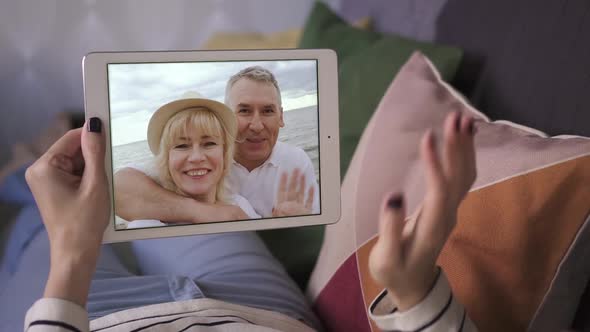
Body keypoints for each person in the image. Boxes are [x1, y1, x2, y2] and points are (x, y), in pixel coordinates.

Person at [6, 111, 480, 331]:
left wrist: (71, 256)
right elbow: (128, 182)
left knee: (40, 217)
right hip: (261, 315)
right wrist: (416, 295)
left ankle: (19, 175)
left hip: (86, 318)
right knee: (104, 193)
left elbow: (125, 186)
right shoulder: (232, 186)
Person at [114, 66, 319, 223]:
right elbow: (117, 188)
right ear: (228, 116)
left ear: (281, 116)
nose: (256, 125)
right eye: (245, 111)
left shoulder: (296, 161)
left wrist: (298, 225)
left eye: (267, 111)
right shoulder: (202, 162)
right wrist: (205, 211)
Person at [126, 93, 259, 229]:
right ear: (166, 159)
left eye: (209, 143)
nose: (196, 157)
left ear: (224, 154)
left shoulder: (240, 205)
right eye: (182, 146)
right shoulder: (147, 226)